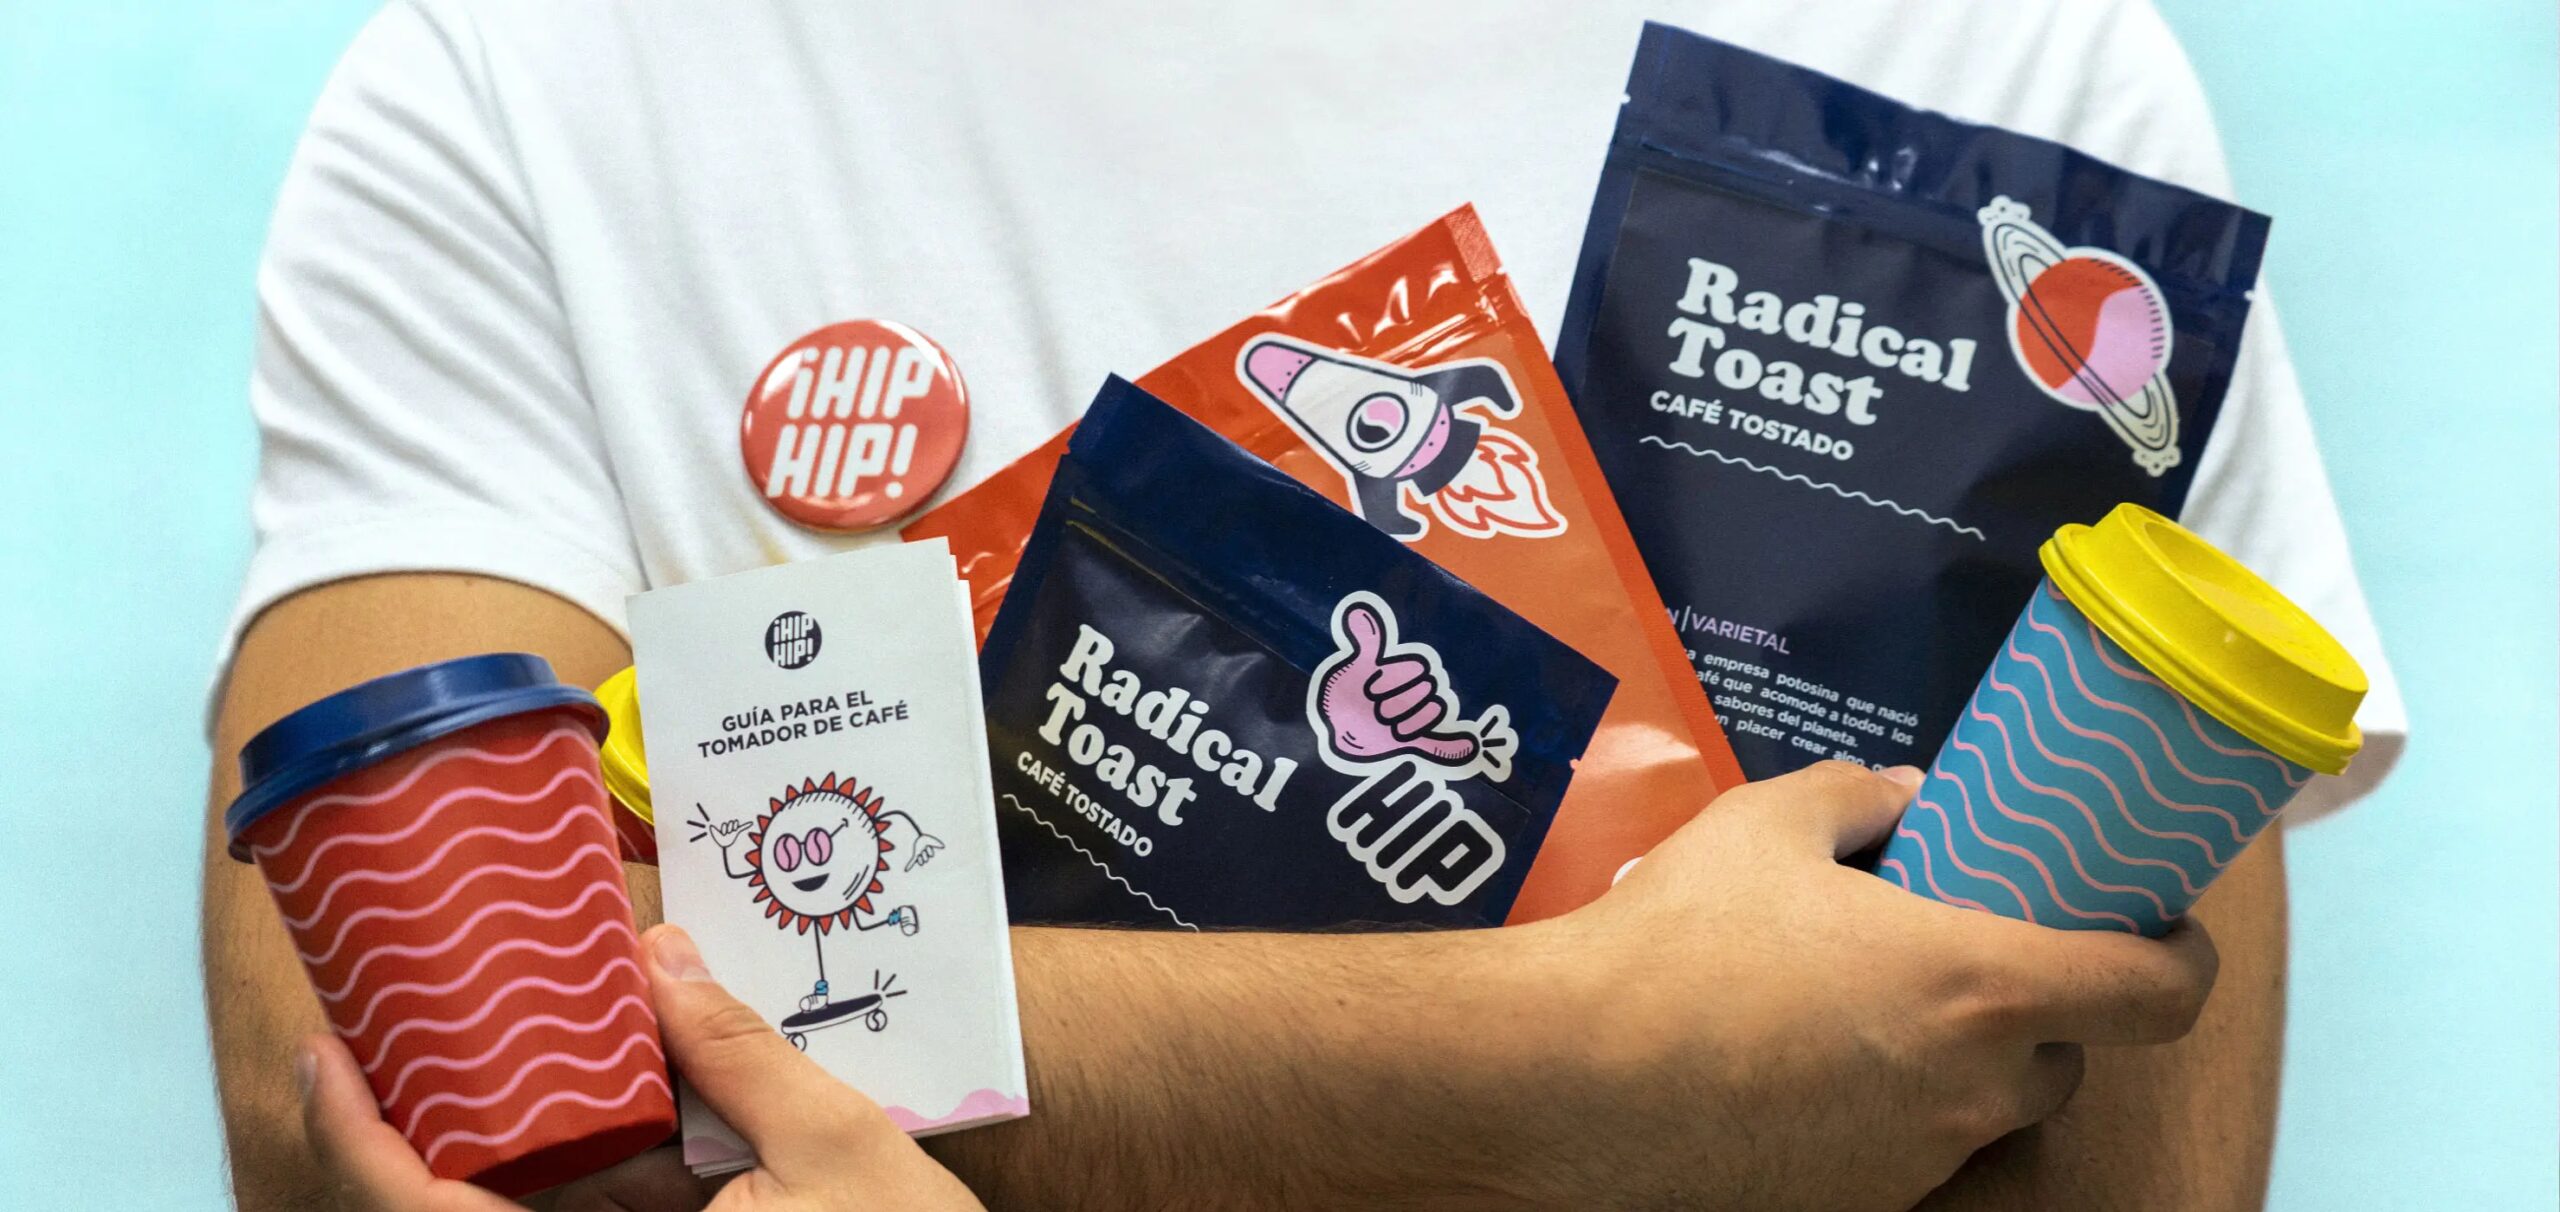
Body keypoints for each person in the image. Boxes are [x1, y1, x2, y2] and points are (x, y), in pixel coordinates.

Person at [202, 1, 2405, 1208]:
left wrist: (929, 1083)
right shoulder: (524, 77)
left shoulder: (1995, 55)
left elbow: (2091, 1108)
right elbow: (403, 1086)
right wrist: (1570, 1074)